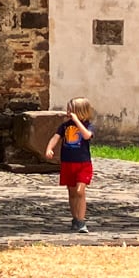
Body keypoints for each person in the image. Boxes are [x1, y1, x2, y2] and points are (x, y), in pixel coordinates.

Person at [46, 97, 95, 233]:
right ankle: (76, 219)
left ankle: (81, 220)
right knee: (72, 193)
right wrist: (49, 148)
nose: (68, 112)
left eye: (71, 110)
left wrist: (77, 121)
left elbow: (86, 136)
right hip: (68, 163)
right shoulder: (64, 126)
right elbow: (55, 137)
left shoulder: (87, 126)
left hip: (83, 164)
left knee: (80, 191)